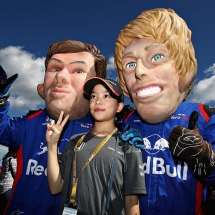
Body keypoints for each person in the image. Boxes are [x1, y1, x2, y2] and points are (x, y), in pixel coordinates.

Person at [114, 8, 215, 215]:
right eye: (130, 64)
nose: (139, 71)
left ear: (184, 68)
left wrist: (205, 157)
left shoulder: (204, 117)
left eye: (157, 56)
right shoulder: (123, 122)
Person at [0, 40, 106, 214]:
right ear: (42, 87)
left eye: (78, 70)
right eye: (55, 68)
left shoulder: (105, 130)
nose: (60, 77)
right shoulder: (29, 123)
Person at [46, 77, 146, 215]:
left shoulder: (128, 144)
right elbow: (55, 188)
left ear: (119, 107)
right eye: (93, 96)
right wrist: (52, 145)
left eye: (106, 96)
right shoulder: (76, 141)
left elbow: (131, 201)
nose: (98, 101)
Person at [0, 148, 17, 215]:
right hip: (9, 187)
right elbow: (16, 173)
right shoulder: (11, 160)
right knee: (10, 208)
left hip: (2, 186)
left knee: (2, 209)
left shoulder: (5, 159)